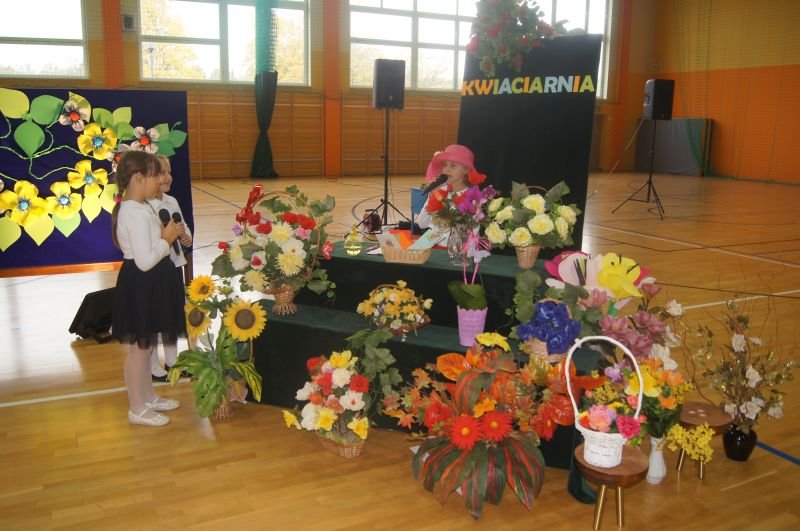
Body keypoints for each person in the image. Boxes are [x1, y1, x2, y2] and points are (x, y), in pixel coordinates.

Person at [111, 151, 185, 427]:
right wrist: (167, 239)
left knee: (148, 344)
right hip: (142, 283)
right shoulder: (134, 212)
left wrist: (166, 238)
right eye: (155, 176)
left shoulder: (144, 207)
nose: (160, 181)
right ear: (138, 178)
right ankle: (137, 407)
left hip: (152, 282)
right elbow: (144, 261)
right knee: (140, 350)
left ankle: (148, 397)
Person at [147, 155, 192, 381]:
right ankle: (153, 366)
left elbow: (184, 228)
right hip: (155, 268)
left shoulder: (172, 201)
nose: (168, 177)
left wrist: (185, 235)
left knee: (173, 314)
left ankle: (173, 362)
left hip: (174, 265)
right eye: (162, 173)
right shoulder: (145, 207)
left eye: (169, 172)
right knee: (155, 317)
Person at [416, 144, 476, 231]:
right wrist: (432, 198)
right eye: (444, 165)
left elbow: (471, 232)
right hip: (436, 239)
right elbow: (422, 223)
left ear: (466, 169)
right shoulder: (440, 191)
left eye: (453, 165)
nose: (447, 170)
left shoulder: (473, 196)